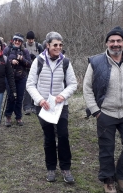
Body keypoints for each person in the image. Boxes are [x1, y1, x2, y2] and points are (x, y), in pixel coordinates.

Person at [83, 26, 123, 193]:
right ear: (106, 43)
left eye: (119, 40)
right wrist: (96, 111)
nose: (115, 44)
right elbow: (87, 87)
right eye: (112, 41)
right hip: (105, 113)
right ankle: (108, 180)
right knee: (106, 150)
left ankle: (120, 174)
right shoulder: (96, 62)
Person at [26, 31, 78, 184]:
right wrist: (40, 100)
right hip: (43, 106)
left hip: (61, 106)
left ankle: (66, 168)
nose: (58, 47)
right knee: (49, 137)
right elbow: (30, 84)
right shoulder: (39, 61)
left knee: (63, 136)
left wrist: (63, 95)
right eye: (55, 45)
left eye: (60, 45)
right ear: (47, 45)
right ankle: (51, 168)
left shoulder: (66, 62)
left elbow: (73, 84)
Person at [3, 32, 31, 126]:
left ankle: (18, 117)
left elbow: (30, 64)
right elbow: (1, 61)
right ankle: (8, 116)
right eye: (16, 40)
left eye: (19, 40)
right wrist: (10, 61)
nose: (17, 42)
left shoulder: (25, 51)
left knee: (19, 98)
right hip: (9, 77)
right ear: (13, 40)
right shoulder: (7, 49)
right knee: (11, 97)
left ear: (22, 42)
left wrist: (22, 60)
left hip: (21, 77)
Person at [23, 31, 44, 115]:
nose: (31, 41)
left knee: (36, 87)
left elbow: (43, 56)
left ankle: (34, 106)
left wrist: (35, 57)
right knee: (27, 88)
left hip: (37, 69)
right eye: (29, 39)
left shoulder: (38, 46)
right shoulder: (23, 46)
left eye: (32, 39)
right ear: (27, 39)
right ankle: (26, 107)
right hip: (26, 69)